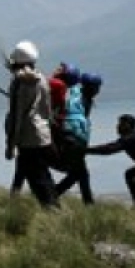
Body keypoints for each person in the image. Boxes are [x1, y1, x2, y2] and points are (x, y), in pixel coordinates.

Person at [2, 40, 58, 208]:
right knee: (43, 176)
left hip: (28, 139)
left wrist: (10, 145)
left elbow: (16, 116)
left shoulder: (19, 83)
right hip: (43, 137)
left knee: (38, 181)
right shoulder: (41, 79)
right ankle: (54, 210)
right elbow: (47, 110)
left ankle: (53, 213)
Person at [50, 64, 98, 205]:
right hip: (74, 139)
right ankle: (52, 197)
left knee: (80, 173)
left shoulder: (69, 91)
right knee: (79, 173)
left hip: (68, 137)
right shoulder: (82, 97)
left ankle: (54, 195)